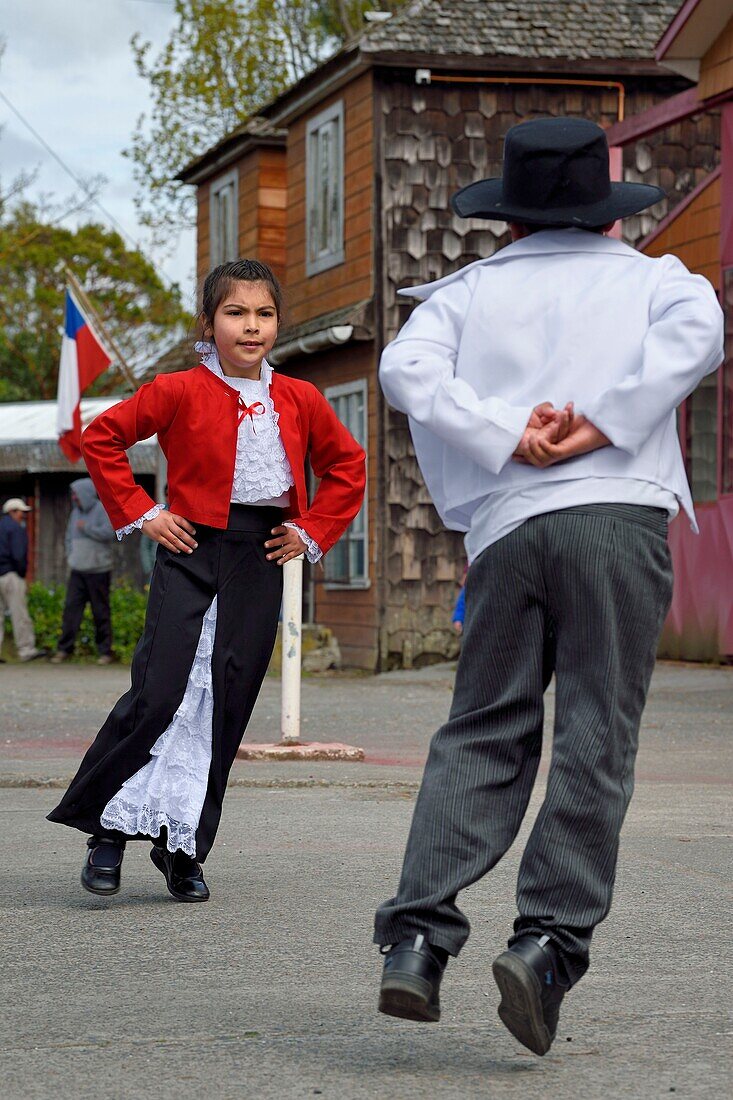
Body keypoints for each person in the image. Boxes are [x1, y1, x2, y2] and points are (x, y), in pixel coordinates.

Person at [374, 118, 724, 1056]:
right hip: (616, 518)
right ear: (607, 212)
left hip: (507, 529)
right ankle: (544, 943)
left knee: (483, 726)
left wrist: (504, 431)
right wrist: (602, 423)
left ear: (512, 214)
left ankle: (416, 935)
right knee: (594, 734)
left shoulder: (465, 292)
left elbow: (403, 368)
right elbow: (703, 331)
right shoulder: (654, 280)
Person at [48, 258, 366, 904]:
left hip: (260, 558)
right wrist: (144, 513)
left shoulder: (301, 397)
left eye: (264, 313)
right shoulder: (177, 388)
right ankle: (106, 830)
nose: (251, 327)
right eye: (235, 313)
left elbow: (347, 466)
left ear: (277, 321)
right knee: (159, 694)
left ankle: (183, 846)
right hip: (189, 548)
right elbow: (102, 438)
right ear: (209, 322)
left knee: (225, 705)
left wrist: (308, 530)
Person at [50, 479, 116, 666]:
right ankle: (64, 650)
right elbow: (69, 538)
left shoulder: (102, 510)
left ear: (86, 494)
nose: (74, 498)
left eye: (76, 494)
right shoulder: (75, 513)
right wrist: (71, 555)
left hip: (98, 570)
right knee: (71, 609)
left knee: (100, 611)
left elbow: (109, 533)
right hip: (78, 569)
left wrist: (86, 528)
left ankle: (105, 652)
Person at [0, 498, 43, 662]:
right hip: (11, 575)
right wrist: (22, 572)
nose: (23, 516)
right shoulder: (15, 529)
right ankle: (26, 650)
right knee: (19, 613)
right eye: (21, 512)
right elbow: (18, 555)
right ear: (12, 512)